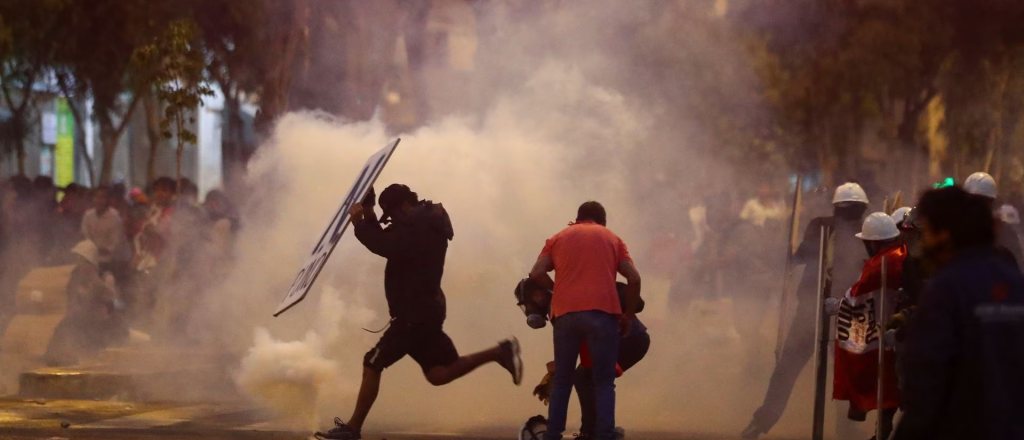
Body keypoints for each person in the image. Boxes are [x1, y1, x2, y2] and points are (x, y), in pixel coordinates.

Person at [316, 184, 523, 440]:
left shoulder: (421, 227)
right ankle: (499, 352)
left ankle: (352, 429)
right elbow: (388, 239)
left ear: (404, 205)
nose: (392, 220)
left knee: (373, 362)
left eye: (392, 213)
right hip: (425, 312)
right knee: (439, 373)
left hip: (412, 316)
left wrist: (359, 224)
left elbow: (387, 245)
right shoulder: (423, 222)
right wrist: (368, 211)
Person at [892, 186, 1024, 440]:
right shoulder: (1013, 280)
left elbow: (928, 380)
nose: (924, 241)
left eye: (928, 231)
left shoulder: (946, 287)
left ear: (945, 234)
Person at [742, 183, 870, 440]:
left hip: (833, 311)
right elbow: (803, 256)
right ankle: (846, 429)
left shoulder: (824, 226)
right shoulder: (855, 230)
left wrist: (790, 256)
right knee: (844, 373)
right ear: (862, 208)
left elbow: (800, 256)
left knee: (790, 369)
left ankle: (760, 423)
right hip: (834, 311)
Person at [528, 201, 641, 440]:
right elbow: (633, 278)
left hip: (565, 315)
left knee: (563, 380)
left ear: (578, 218)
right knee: (603, 381)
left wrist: (558, 288)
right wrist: (628, 315)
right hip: (603, 315)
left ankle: (553, 434)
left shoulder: (557, 238)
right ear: (603, 221)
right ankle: (605, 434)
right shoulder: (613, 239)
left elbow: (536, 272)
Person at [522, 280, 650, 440]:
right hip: (627, 340)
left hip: (629, 340)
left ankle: (593, 433)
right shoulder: (558, 304)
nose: (528, 311)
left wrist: (559, 368)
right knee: (588, 377)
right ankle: (599, 431)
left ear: (537, 295)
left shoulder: (559, 306)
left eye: (527, 305)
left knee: (585, 378)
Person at [829, 213, 904, 440]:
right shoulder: (900, 255)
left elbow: (859, 297)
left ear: (872, 242)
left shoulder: (882, 263)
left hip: (902, 330)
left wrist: (837, 305)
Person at [43, 240, 129, 366]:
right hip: (79, 322)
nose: (80, 265)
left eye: (83, 261)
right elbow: (72, 305)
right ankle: (57, 359)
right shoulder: (75, 282)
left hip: (96, 326)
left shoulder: (100, 285)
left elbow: (119, 305)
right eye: (79, 260)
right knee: (64, 328)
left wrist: (109, 308)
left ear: (91, 264)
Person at [963, 171, 1023, 269]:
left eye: (981, 201)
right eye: (973, 201)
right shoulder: (956, 231)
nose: (977, 206)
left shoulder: (1004, 231)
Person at [81, 186, 129, 276]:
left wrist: (104, 250)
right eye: (97, 197)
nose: (100, 200)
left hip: (114, 260)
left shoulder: (115, 218)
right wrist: (92, 249)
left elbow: (116, 243)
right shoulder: (88, 216)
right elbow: (86, 235)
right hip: (93, 257)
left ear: (108, 200)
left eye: (103, 197)